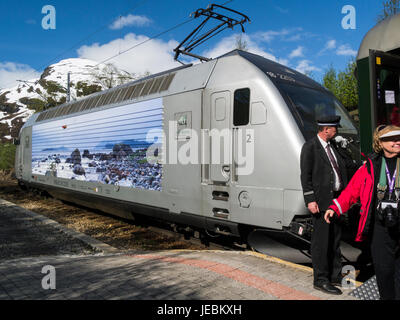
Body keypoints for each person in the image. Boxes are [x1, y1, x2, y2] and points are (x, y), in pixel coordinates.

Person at [325, 125, 400, 300]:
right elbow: (351, 191)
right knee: (384, 271)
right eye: (392, 138)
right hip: (380, 228)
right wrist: (335, 207)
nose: (397, 141)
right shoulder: (370, 167)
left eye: (399, 138)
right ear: (380, 143)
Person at [300, 115, 358, 295]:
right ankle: (320, 280)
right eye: (335, 128)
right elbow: (305, 175)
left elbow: (342, 168)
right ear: (326, 129)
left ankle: (334, 275)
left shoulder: (333, 146)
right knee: (321, 243)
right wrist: (310, 200)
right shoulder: (310, 147)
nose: (337, 131)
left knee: (334, 240)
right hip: (321, 203)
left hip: (335, 202)